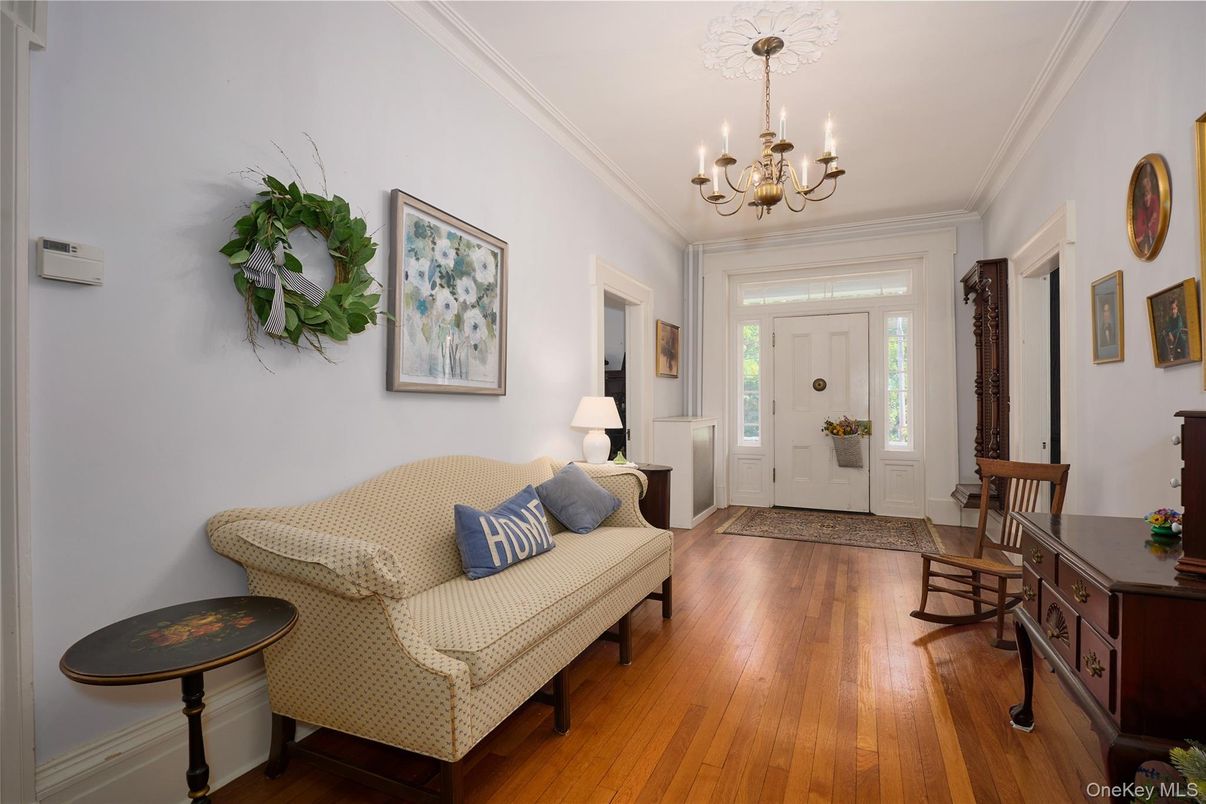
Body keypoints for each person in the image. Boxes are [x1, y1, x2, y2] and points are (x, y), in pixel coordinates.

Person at [1133, 166, 1160, 255]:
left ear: (1150, 186)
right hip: (1146, 234)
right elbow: (1139, 223)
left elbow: (1155, 217)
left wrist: (1148, 226)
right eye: (1144, 186)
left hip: (1153, 233)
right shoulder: (1141, 204)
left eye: (1147, 185)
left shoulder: (1155, 200)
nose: (1146, 188)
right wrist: (1146, 228)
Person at [1163, 296, 1188, 362]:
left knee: (1184, 354)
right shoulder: (1169, 318)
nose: (1173, 311)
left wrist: (1171, 333)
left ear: (1177, 309)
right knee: (1175, 357)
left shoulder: (1179, 317)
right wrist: (1169, 333)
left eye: (1174, 308)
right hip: (1173, 340)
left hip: (1180, 338)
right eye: (1171, 309)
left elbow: (1179, 328)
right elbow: (1168, 327)